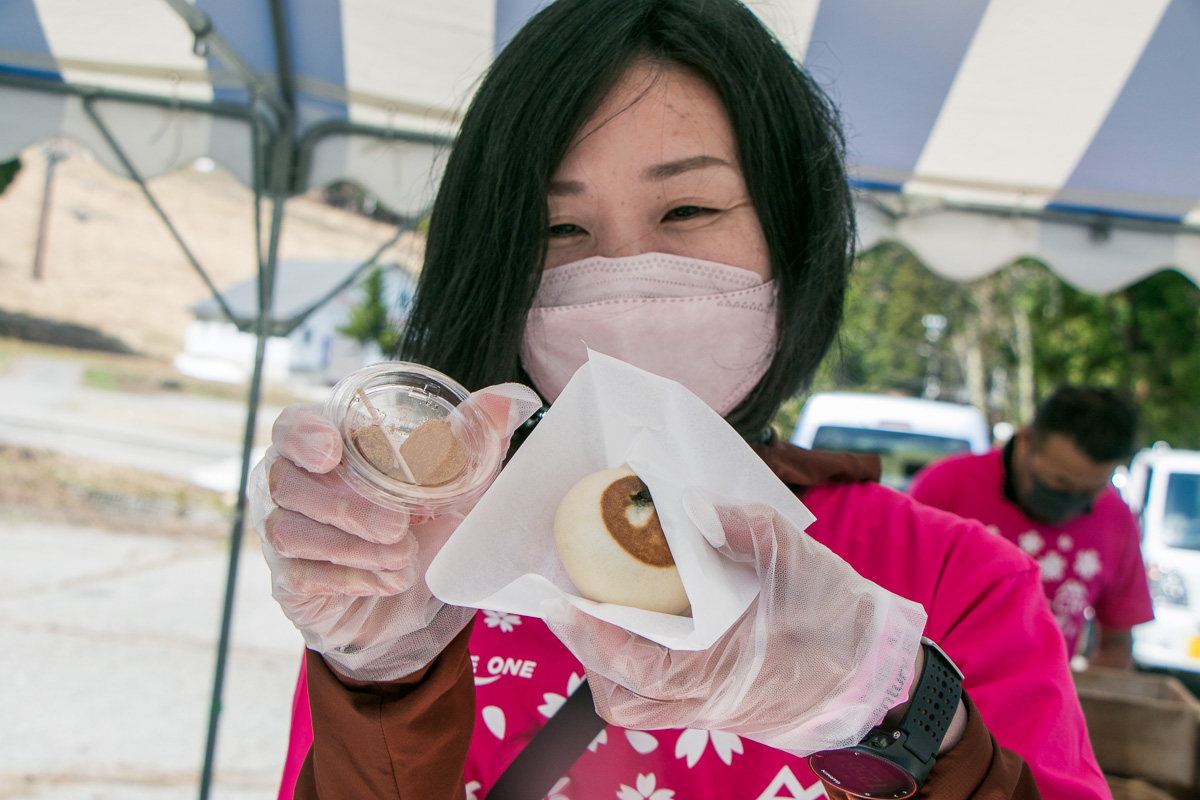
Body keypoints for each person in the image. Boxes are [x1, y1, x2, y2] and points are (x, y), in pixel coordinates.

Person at [251, 1, 1111, 797]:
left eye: (689, 209)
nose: (625, 274)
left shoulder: (952, 581)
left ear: (795, 238)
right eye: (560, 229)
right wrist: (383, 681)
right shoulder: (436, 566)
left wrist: (892, 704)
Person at [910, 386, 1153, 669]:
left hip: (1040, 705)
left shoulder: (1116, 518)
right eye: (1059, 482)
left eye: (1089, 491)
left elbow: (1117, 643)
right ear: (1025, 440)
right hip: (935, 699)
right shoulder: (945, 489)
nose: (1070, 500)